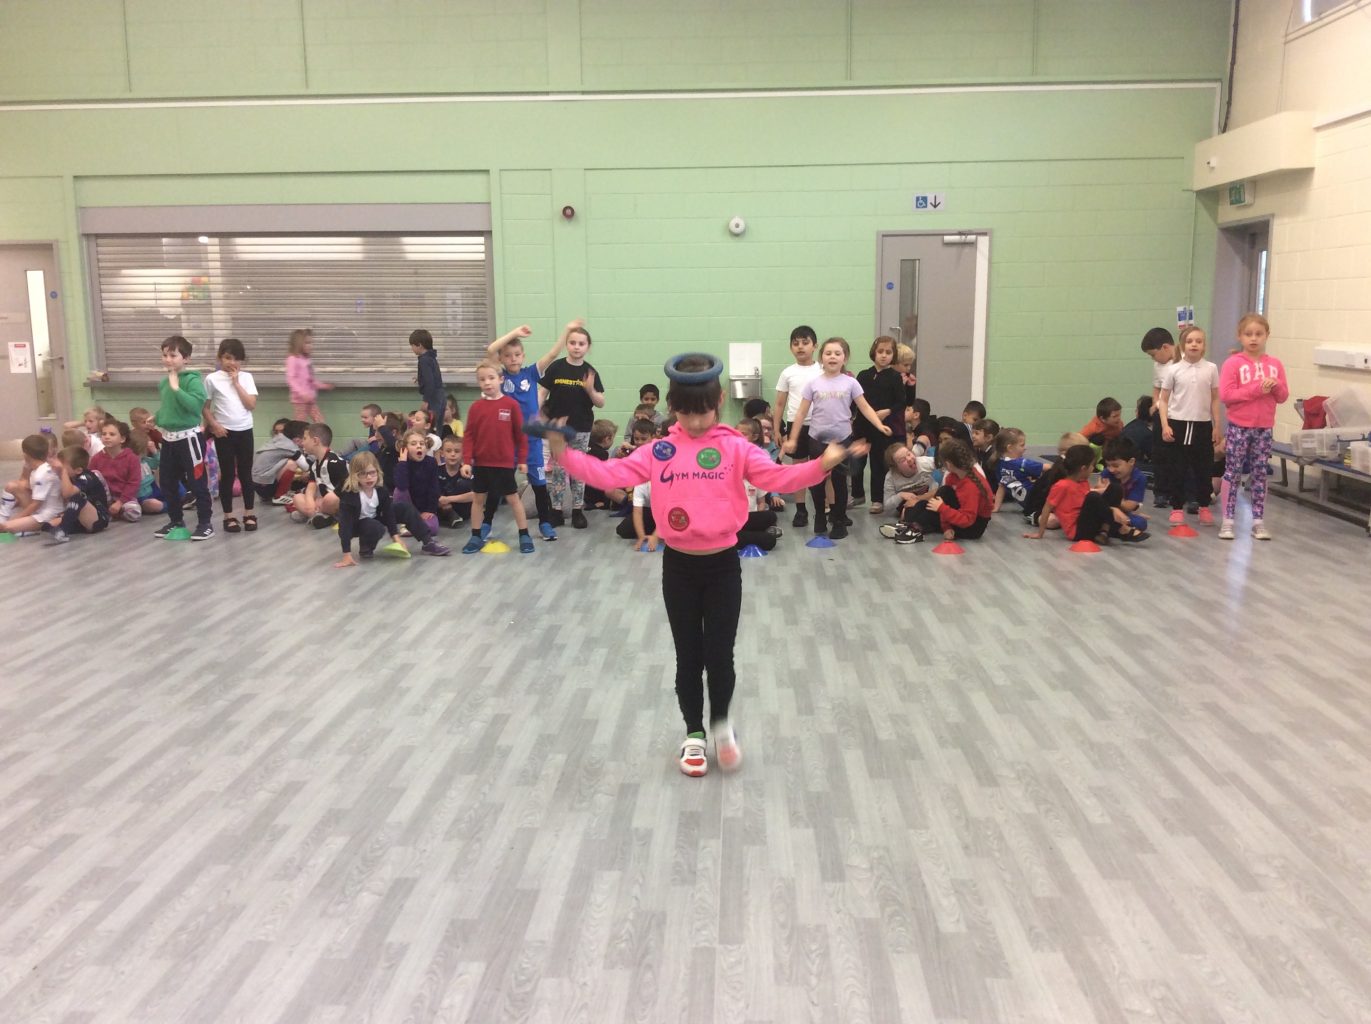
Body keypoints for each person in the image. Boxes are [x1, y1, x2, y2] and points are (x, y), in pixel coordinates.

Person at [547, 352, 867, 778]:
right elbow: (611, 475)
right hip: (678, 568)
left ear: (718, 403)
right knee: (688, 656)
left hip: (723, 569)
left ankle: (721, 725)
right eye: (686, 412)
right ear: (672, 407)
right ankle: (694, 733)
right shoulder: (659, 450)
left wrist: (821, 464)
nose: (696, 422)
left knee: (720, 654)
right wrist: (562, 452)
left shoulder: (736, 447)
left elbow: (778, 478)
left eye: (704, 412)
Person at [782, 337, 891, 540]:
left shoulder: (851, 383)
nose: (832, 357)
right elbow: (801, 413)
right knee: (816, 481)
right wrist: (793, 438)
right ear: (821, 358)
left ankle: (839, 520)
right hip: (817, 439)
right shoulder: (813, 383)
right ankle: (820, 517)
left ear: (845, 358)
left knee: (840, 481)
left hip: (842, 439)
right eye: (828, 353)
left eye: (837, 353)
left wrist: (879, 424)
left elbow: (864, 407)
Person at [488, 321, 573, 541]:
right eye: (508, 356)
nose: (513, 359)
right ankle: (485, 525)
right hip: (507, 441)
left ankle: (545, 524)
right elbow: (490, 350)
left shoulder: (531, 373)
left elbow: (553, 354)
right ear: (502, 359)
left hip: (532, 441)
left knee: (539, 486)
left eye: (517, 355)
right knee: (497, 485)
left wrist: (567, 330)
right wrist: (514, 333)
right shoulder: (500, 377)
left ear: (523, 356)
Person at [1218, 313, 1289, 540]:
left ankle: (1258, 521)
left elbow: (1283, 396)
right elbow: (1226, 395)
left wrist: (1275, 386)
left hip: (1264, 427)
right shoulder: (1233, 363)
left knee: (1260, 473)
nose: (1254, 338)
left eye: (1259, 334)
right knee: (1233, 472)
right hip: (1239, 427)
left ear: (1267, 335)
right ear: (1240, 336)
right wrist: (1256, 389)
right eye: (1248, 334)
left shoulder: (1275, 364)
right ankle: (1227, 520)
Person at [462, 360, 534, 554]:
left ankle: (524, 535)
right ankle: (476, 536)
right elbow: (469, 436)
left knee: (513, 499)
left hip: (503, 464)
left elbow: (520, 436)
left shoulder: (511, 405)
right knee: (478, 499)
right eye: (482, 379)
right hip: (481, 464)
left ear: (501, 379)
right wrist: (466, 461)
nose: (487, 382)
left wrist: (522, 460)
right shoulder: (476, 407)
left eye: (491, 378)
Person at [333, 452, 450, 566]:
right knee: (374, 526)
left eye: (372, 473)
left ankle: (428, 542)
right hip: (356, 525)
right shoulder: (349, 495)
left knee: (405, 508)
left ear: (377, 472)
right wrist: (347, 554)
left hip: (375, 517)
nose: (369, 477)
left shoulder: (380, 490)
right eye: (363, 474)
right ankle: (366, 546)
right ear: (355, 475)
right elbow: (345, 525)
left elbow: (388, 513)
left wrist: (395, 537)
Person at [541, 322, 604, 529]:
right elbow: (542, 393)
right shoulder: (556, 367)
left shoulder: (590, 372)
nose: (577, 347)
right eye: (573, 343)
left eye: (581, 344)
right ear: (567, 344)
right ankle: (556, 511)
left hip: (581, 428)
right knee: (559, 470)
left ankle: (578, 510)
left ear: (588, 347)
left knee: (578, 470)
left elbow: (600, 402)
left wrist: (590, 390)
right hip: (558, 429)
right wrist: (534, 414)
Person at [151, 335, 214, 541]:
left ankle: (205, 523)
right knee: (167, 482)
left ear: (185, 358)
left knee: (197, 482)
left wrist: (177, 388)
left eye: (173, 355)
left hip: (189, 439)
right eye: (165, 355)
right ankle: (176, 521)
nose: (168, 359)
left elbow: (195, 406)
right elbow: (170, 408)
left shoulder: (192, 381)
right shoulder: (164, 383)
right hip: (169, 440)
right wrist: (156, 418)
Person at [1157, 325, 1220, 527]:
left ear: (1204, 345)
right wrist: (1165, 425)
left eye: (1198, 341)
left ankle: (1204, 507)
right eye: (1190, 341)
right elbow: (1163, 400)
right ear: (1183, 345)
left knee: (1204, 468)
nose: (1194, 344)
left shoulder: (1211, 368)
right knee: (1178, 468)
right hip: (1179, 424)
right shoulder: (1173, 370)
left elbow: (1215, 399)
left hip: (1202, 425)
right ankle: (1177, 508)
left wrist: (1217, 425)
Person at [1024, 444, 1148, 545]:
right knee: (1092, 497)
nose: (1093, 468)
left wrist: (1111, 506)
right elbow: (1047, 508)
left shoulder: (1083, 482)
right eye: (1092, 465)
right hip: (1078, 531)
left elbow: (1091, 504)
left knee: (1115, 488)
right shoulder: (1061, 486)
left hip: (1090, 523)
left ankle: (1104, 532)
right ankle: (1121, 528)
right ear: (1084, 468)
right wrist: (1040, 533)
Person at [890, 437, 993, 544]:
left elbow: (967, 520)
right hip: (961, 516)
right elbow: (944, 500)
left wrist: (942, 508)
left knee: (931, 513)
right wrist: (946, 527)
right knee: (927, 502)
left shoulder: (971, 486)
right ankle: (910, 525)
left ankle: (915, 528)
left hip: (973, 528)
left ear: (948, 464)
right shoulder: (953, 476)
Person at [203, 337, 259, 533]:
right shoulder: (211, 379)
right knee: (227, 474)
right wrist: (214, 425)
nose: (232, 362)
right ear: (220, 358)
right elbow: (205, 407)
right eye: (227, 358)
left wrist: (236, 383)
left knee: (245, 473)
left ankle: (249, 513)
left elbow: (251, 405)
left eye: (236, 359)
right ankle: (229, 516)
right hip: (224, 432)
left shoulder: (247, 377)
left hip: (245, 430)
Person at [771, 325, 824, 528]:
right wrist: (777, 429)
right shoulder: (788, 373)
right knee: (799, 467)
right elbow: (779, 404)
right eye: (796, 343)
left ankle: (826, 509)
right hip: (796, 425)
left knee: (822, 467)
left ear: (815, 346)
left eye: (805, 342)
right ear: (790, 347)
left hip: (820, 424)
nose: (800, 347)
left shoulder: (823, 370)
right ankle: (801, 509)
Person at [851, 335, 905, 515]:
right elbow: (855, 399)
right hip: (862, 426)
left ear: (893, 355)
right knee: (857, 461)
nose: (883, 355)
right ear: (874, 353)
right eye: (880, 351)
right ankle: (857, 494)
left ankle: (877, 499)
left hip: (882, 427)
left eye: (888, 352)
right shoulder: (863, 375)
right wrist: (850, 418)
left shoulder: (895, 377)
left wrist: (887, 411)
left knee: (877, 464)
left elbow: (901, 401)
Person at [46, 446, 112, 544]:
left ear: (78, 470)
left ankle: (63, 530)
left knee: (77, 498)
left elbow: (67, 493)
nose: (60, 468)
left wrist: (63, 471)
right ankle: (61, 528)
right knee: (48, 524)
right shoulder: (70, 476)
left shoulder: (86, 477)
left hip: (97, 519)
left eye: (63, 466)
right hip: (80, 518)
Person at [0, 434, 63, 536]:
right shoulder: (37, 469)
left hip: (47, 515)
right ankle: (4, 519)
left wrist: (17, 518)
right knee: (11, 486)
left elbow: (36, 504)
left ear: (26, 455)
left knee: (4, 527)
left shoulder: (41, 474)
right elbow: (27, 487)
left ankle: (31, 529)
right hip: (41, 508)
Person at [91, 419, 144, 522]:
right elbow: (91, 480)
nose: (107, 437)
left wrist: (120, 502)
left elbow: (133, 483)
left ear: (122, 439)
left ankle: (115, 512)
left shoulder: (131, 458)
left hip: (124, 498)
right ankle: (107, 511)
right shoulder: (96, 458)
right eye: (104, 434)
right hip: (104, 498)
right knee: (94, 474)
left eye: (112, 434)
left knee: (134, 513)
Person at [294, 422, 347, 526]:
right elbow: (311, 488)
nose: (302, 443)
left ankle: (320, 515)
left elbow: (347, 487)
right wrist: (310, 503)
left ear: (315, 441)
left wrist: (322, 500)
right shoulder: (315, 465)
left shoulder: (334, 462)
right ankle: (319, 515)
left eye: (305, 438)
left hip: (338, 502)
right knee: (297, 498)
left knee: (330, 499)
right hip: (323, 502)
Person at [394, 427, 441, 535]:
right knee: (399, 491)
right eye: (413, 444)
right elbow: (401, 485)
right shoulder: (402, 464)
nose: (419, 446)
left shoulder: (431, 462)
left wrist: (430, 510)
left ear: (426, 447)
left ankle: (412, 527)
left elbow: (434, 488)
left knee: (433, 529)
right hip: (408, 506)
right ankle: (406, 522)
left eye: (422, 443)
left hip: (424, 508)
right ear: (405, 448)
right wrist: (403, 462)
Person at [252, 419, 308, 506]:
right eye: (305, 438)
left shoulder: (278, 441)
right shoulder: (288, 445)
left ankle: (279, 493)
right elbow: (305, 466)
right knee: (291, 463)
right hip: (265, 486)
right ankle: (279, 496)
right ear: (297, 439)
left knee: (290, 462)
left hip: (259, 484)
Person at [1099, 437, 1149, 531]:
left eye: (1116, 465)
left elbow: (1129, 506)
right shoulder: (1107, 473)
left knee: (1141, 523)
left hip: (1123, 511)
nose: (1111, 469)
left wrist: (1109, 492)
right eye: (1108, 465)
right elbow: (1100, 500)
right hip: (1106, 510)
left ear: (1131, 462)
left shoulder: (1139, 478)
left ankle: (1119, 524)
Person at [991, 428, 1043, 512]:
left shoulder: (1000, 464)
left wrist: (996, 507)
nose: (1025, 448)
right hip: (1035, 502)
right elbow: (1002, 486)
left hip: (1036, 501)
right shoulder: (1022, 463)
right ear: (1010, 448)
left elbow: (1001, 487)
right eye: (1022, 445)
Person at [285, 328, 329, 423]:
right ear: (299, 344)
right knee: (299, 424)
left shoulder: (306, 360)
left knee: (320, 422)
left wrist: (323, 386)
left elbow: (310, 380)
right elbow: (291, 380)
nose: (310, 346)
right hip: (300, 400)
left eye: (311, 343)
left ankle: (319, 433)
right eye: (307, 343)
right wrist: (303, 393)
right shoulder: (293, 359)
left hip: (310, 399)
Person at [408, 328, 445, 427]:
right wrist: (420, 378)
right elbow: (434, 375)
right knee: (437, 425)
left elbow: (430, 382)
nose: (412, 348)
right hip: (439, 396)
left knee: (430, 424)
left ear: (419, 345)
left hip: (433, 398)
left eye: (412, 345)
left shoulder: (423, 360)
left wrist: (426, 401)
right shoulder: (431, 357)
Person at [436, 435, 474, 528]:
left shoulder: (467, 471)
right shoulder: (436, 470)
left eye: (457, 451)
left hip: (463, 512)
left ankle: (453, 514)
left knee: (463, 483)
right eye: (448, 451)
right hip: (440, 508)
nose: (453, 454)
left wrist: (448, 499)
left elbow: (475, 495)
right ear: (442, 453)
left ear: (463, 454)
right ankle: (449, 514)